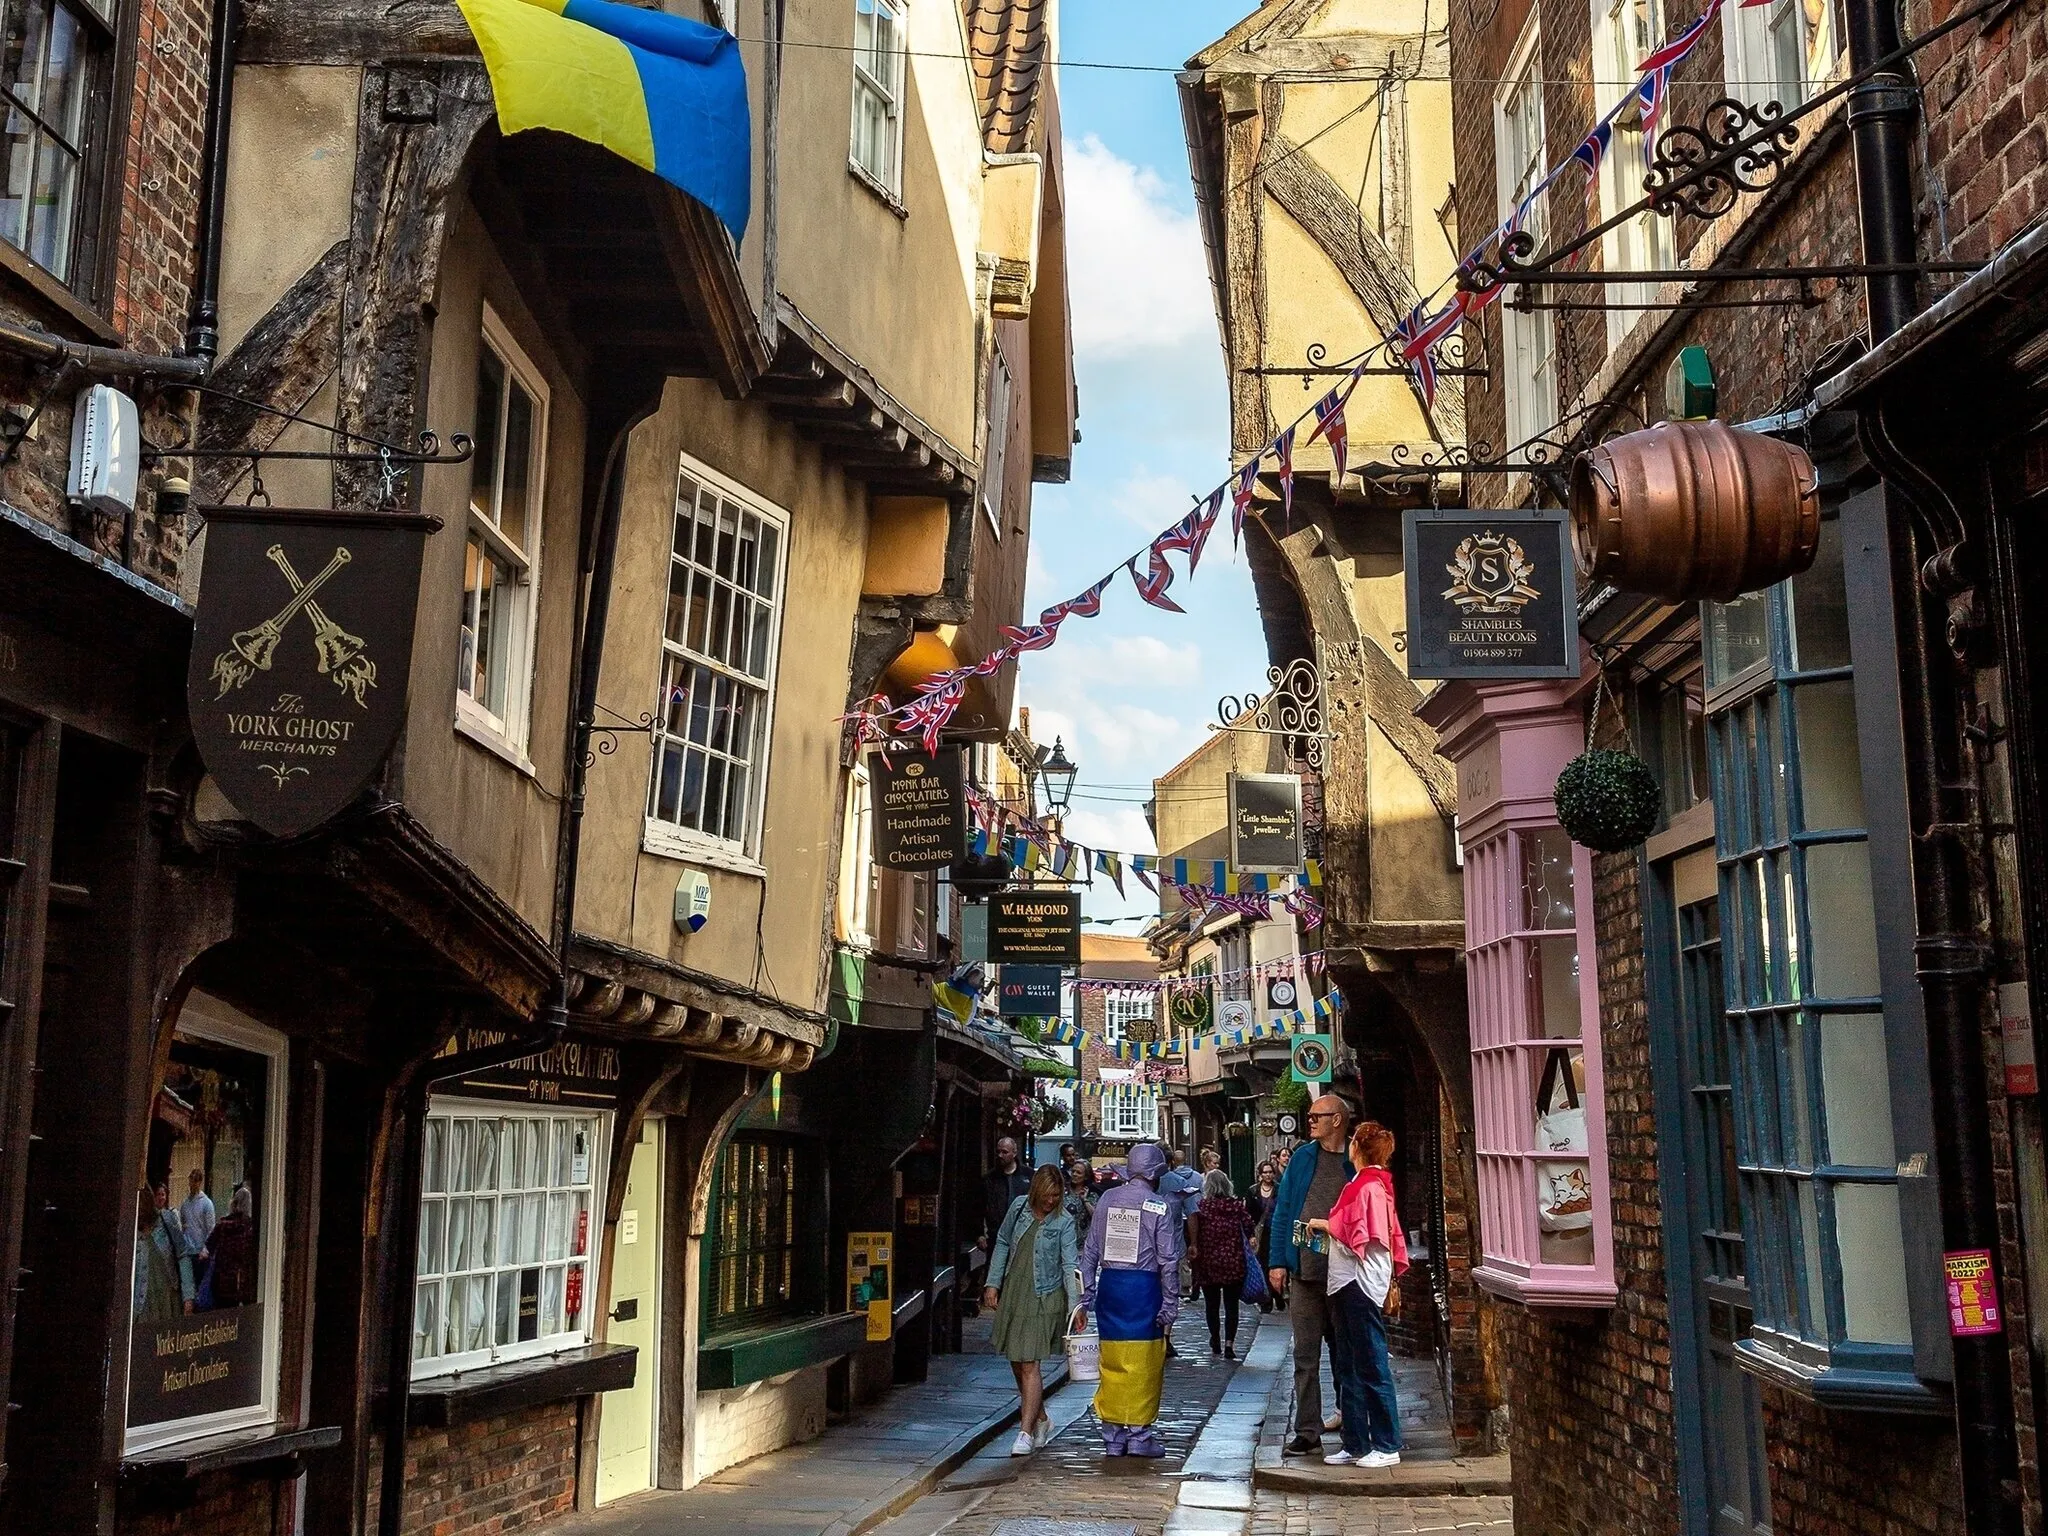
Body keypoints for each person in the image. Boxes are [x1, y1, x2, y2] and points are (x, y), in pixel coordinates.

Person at [1306, 1121, 1409, 1467]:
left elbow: (1357, 1233)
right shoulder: (1371, 1184)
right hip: (1349, 1279)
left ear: (1358, 1148)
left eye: (1353, 1140)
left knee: (1370, 1363)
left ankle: (1386, 1443)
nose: (1349, 1145)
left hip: (1359, 1281)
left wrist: (1324, 1225)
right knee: (1348, 1363)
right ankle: (1356, 1442)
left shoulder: (1367, 1186)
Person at [1266, 1093, 1356, 1454]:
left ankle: (1351, 1419)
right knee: (1305, 1354)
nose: (1311, 1121)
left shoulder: (1355, 1158)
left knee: (1345, 1351)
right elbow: (1283, 1210)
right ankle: (1307, 1431)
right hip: (1305, 1271)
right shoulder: (1303, 1157)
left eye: (1318, 1115)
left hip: (1347, 1273)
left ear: (1338, 1119)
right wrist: (1277, 1261)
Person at [1079, 1140, 1182, 1457]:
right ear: (1155, 1174)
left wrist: (1087, 1295)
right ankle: (1139, 1435)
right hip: (1145, 1289)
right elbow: (1168, 1260)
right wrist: (1170, 1302)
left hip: (1112, 1286)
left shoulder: (1108, 1199)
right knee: (1144, 1363)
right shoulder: (1158, 1206)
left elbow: (1090, 1252)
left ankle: (1113, 1435)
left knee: (1111, 1360)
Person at [985, 1165, 1084, 1456]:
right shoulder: (1019, 1208)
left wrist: (1074, 1305)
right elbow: (1003, 1242)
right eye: (1047, 1194)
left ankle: (1025, 1432)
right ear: (1036, 1191)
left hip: (1044, 1296)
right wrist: (992, 1283)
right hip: (1015, 1291)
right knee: (1016, 1360)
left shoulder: (1063, 1222)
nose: (1051, 1201)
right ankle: (1040, 1418)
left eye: (1056, 1195)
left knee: (1029, 1364)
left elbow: (1069, 1266)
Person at [1186, 1168, 1249, 1359]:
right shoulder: (1236, 1206)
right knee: (1231, 1305)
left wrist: (1194, 1246)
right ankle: (1229, 1343)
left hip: (1209, 1262)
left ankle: (1215, 1339)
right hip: (1232, 1260)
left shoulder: (1202, 1207)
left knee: (1211, 1305)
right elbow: (1248, 1226)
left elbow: (1193, 1228)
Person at [134, 1186, 194, 1322]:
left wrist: (188, 1296)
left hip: (168, 1298)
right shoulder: (132, 1232)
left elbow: (182, 1254)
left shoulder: (167, 1220)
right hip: (142, 1303)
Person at [1156, 1149, 1202, 1300]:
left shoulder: (1145, 1181)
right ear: (1171, 1162)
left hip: (1149, 1247)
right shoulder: (1179, 1182)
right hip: (1174, 1245)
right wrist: (1193, 1243)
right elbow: (1191, 1214)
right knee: (1171, 1293)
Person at [207, 1185, 259, 1308]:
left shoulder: (222, 1225)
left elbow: (208, 1248)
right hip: (241, 1282)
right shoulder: (250, 1229)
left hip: (221, 1281)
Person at [979, 1137, 1032, 1252]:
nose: (1000, 1155)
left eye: (1004, 1152)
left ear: (1014, 1153)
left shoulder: (1029, 1176)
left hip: (1024, 1235)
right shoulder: (989, 1179)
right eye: (998, 1152)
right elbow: (979, 1207)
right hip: (996, 1236)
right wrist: (979, 1234)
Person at [1247, 1162, 1282, 1314]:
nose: (1268, 1175)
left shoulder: (1279, 1189)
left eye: (1270, 1172)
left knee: (1274, 1263)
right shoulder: (1253, 1191)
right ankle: (1266, 1300)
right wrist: (1251, 1235)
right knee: (1262, 1265)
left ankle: (1278, 1294)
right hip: (1260, 1233)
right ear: (1260, 1174)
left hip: (1276, 1231)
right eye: (1265, 1172)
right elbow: (1248, 1214)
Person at [180, 1167, 216, 1262]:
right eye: (191, 1181)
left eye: (195, 1181)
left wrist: (206, 1249)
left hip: (201, 1251)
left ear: (200, 1183)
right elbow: (183, 1225)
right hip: (188, 1250)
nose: (192, 1184)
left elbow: (210, 1228)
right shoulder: (185, 1204)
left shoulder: (206, 1203)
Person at [1062, 1157, 1097, 1244]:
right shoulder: (1063, 1193)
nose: (1074, 1174)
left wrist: (1085, 1200)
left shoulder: (1092, 1195)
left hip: (1083, 1244)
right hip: (1064, 1241)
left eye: (1079, 1173)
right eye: (1073, 1171)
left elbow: (1096, 1217)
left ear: (1086, 1176)